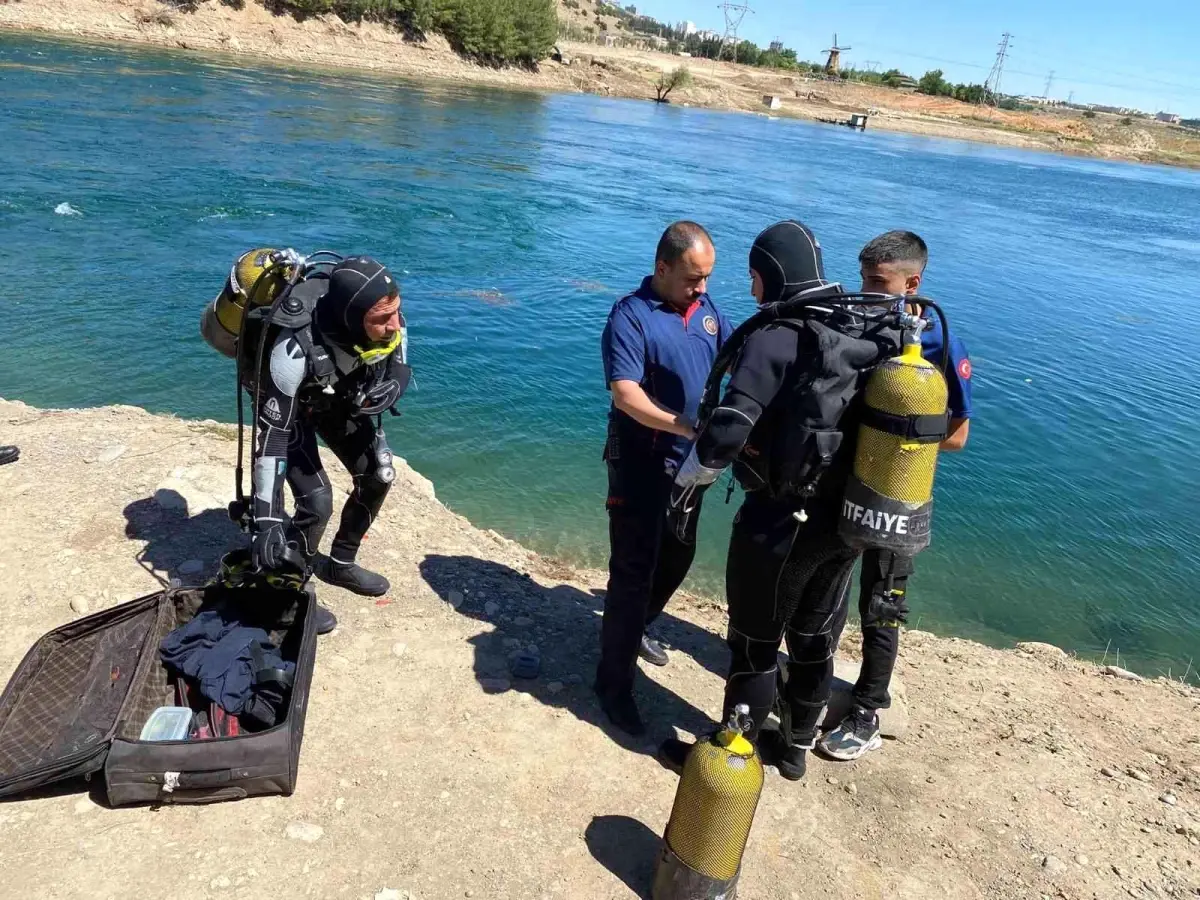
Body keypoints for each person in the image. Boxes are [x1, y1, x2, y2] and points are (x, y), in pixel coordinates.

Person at [660, 220, 908, 780]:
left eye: (752, 280)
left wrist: (691, 478)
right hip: (846, 519)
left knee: (754, 640)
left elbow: (729, 427)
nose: (751, 293)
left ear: (768, 275)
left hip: (779, 519)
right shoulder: (863, 323)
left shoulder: (777, 334)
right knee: (815, 637)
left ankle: (730, 755)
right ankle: (795, 750)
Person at [818, 230, 972, 761]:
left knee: (882, 603)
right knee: (829, 587)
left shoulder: (939, 346)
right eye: (864, 279)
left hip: (898, 497)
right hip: (845, 489)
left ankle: (868, 708)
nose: (869, 291)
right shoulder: (855, 327)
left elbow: (956, 436)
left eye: (880, 282)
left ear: (914, 283)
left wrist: (895, 437)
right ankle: (815, 672)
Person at [595, 221, 732, 736]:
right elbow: (625, 394)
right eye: (693, 278)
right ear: (662, 268)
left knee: (678, 554)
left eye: (708, 277)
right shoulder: (631, 316)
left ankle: (635, 628)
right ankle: (612, 684)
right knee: (633, 569)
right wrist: (685, 424)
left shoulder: (708, 311)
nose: (702, 287)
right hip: (641, 463)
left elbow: (732, 364)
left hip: (692, 466)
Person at [240, 255, 412, 633]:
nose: (394, 324)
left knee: (379, 474)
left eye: (396, 313)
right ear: (352, 316)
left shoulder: (384, 313)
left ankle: (340, 563)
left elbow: (400, 354)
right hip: (291, 409)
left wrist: (395, 382)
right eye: (382, 320)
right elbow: (271, 441)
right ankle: (285, 593)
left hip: (336, 395)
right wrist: (267, 520)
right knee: (316, 501)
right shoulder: (293, 350)